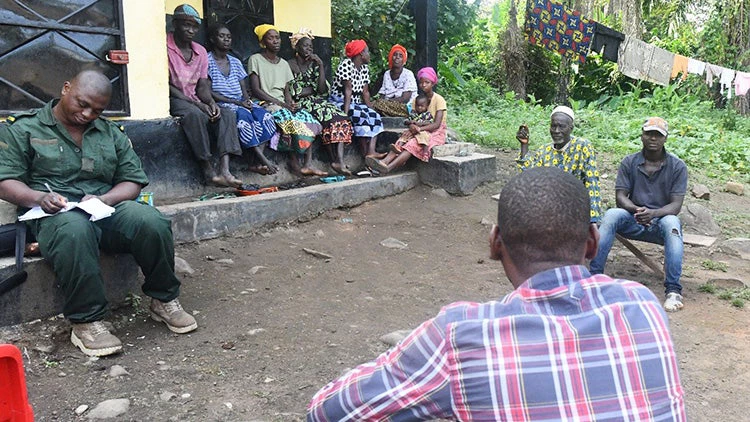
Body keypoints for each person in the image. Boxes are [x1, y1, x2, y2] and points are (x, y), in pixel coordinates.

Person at [307, 167, 685, 421]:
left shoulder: (461, 336)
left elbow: (325, 411)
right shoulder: (642, 305)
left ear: (494, 243)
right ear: (592, 243)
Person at [0, 70, 197, 357]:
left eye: (97, 109)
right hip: (52, 215)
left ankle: (163, 299)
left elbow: (132, 180)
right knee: (74, 229)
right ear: (66, 88)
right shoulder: (23, 128)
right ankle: (87, 322)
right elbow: (5, 182)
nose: (87, 113)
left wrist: (105, 198)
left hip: (103, 208)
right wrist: (39, 197)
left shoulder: (110, 132)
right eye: (82, 103)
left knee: (150, 220)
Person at [590, 117, 688, 312]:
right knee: (611, 215)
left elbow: (675, 205)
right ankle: (593, 278)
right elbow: (620, 197)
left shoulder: (677, 167)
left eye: (658, 135)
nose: (653, 138)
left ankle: (673, 290)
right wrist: (636, 209)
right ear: (642, 136)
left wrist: (654, 213)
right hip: (634, 219)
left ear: (665, 138)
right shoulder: (629, 162)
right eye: (649, 133)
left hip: (660, 221)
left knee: (673, 224)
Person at [167, 4, 243, 187]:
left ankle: (225, 171)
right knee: (196, 115)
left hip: (195, 98)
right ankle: (208, 169)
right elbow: (165, 85)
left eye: (194, 26)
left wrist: (210, 102)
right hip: (174, 97)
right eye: (186, 25)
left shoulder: (200, 51)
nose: (190, 30)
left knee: (226, 113)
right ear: (175, 23)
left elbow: (202, 86)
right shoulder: (164, 46)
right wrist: (198, 105)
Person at [248, 24, 326, 177]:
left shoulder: (283, 64)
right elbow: (256, 90)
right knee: (291, 121)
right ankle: (292, 161)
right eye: (270, 38)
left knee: (309, 120)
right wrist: (281, 104)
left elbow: (286, 91)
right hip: (264, 103)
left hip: (281, 104)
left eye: (277, 37)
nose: (276, 41)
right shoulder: (255, 59)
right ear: (263, 42)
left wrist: (290, 103)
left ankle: (307, 164)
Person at [206, 24, 279, 175]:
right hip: (222, 103)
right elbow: (209, 92)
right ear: (213, 39)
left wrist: (247, 102)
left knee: (265, 116)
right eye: (222, 36)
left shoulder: (235, 62)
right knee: (244, 118)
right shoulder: (207, 61)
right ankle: (262, 158)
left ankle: (254, 162)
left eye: (229, 37)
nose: (226, 39)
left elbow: (243, 88)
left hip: (239, 101)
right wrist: (237, 103)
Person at [516, 105, 601, 223]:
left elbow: (591, 182)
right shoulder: (544, 151)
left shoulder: (582, 146)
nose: (556, 131)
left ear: (571, 128)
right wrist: (524, 145)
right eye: (553, 126)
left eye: (561, 126)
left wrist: (593, 219)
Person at [288, 28, 354, 175]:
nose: (309, 49)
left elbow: (322, 90)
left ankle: (339, 161)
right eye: (305, 45)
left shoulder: (314, 65)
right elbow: (295, 92)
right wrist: (311, 90)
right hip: (300, 104)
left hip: (316, 102)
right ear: (296, 47)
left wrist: (321, 66)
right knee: (329, 118)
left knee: (341, 117)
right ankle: (335, 160)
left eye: (311, 46)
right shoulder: (290, 65)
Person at [366, 67, 446, 174]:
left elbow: (436, 124)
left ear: (433, 83)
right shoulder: (417, 99)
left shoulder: (439, 100)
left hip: (435, 131)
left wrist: (419, 128)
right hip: (420, 128)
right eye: (421, 82)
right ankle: (384, 162)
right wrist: (412, 127)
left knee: (412, 143)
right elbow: (413, 117)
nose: (424, 85)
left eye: (427, 82)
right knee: (403, 138)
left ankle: (388, 168)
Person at [329, 39, 384, 159]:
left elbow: (365, 92)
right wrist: (345, 114)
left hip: (355, 102)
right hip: (339, 102)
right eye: (367, 52)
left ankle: (371, 151)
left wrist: (370, 109)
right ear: (361, 54)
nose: (369, 55)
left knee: (375, 116)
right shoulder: (346, 65)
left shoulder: (364, 68)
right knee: (362, 118)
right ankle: (365, 156)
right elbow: (348, 90)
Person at [371, 44, 418, 117]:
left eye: (400, 56)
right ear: (391, 57)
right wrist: (381, 102)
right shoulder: (387, 74)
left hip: (405, 107)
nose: (397, 57)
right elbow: (382, 95)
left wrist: (385, 102)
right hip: (387, 106)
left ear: (404, 60)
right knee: (372, 105)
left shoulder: (408, 74)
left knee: (376, 105)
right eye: (395, 55)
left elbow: (405, 99)